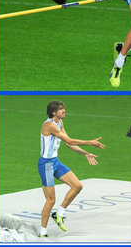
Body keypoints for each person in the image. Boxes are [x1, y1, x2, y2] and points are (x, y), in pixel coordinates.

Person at [38, 100, 105, 237]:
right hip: (46, 165)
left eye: (64, 109)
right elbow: (69, 141)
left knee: (77, 186)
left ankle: (59, 213)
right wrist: (90, 143)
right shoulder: (49, 125)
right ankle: (42, 232)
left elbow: (68, 142)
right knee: (51, 201)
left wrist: (85, 153)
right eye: (61, 109)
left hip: (55, 162)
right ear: (53, 112)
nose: (64, 111)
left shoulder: (59, 123)